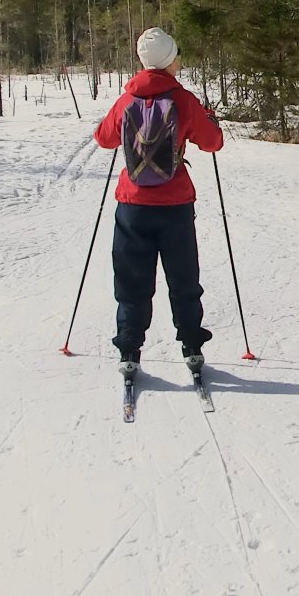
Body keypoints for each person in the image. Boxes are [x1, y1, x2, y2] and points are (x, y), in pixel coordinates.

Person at [94, 27, 224, 377]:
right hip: (175, 205)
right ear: (169, 60)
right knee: (183, 278)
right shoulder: (183, 100)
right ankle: (192, 345)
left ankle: (129, 348)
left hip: (132, 205)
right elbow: (213, 142)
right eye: (176, 55)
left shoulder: (126, 100)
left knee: (132, 280)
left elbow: (104, 138)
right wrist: (209, 119)